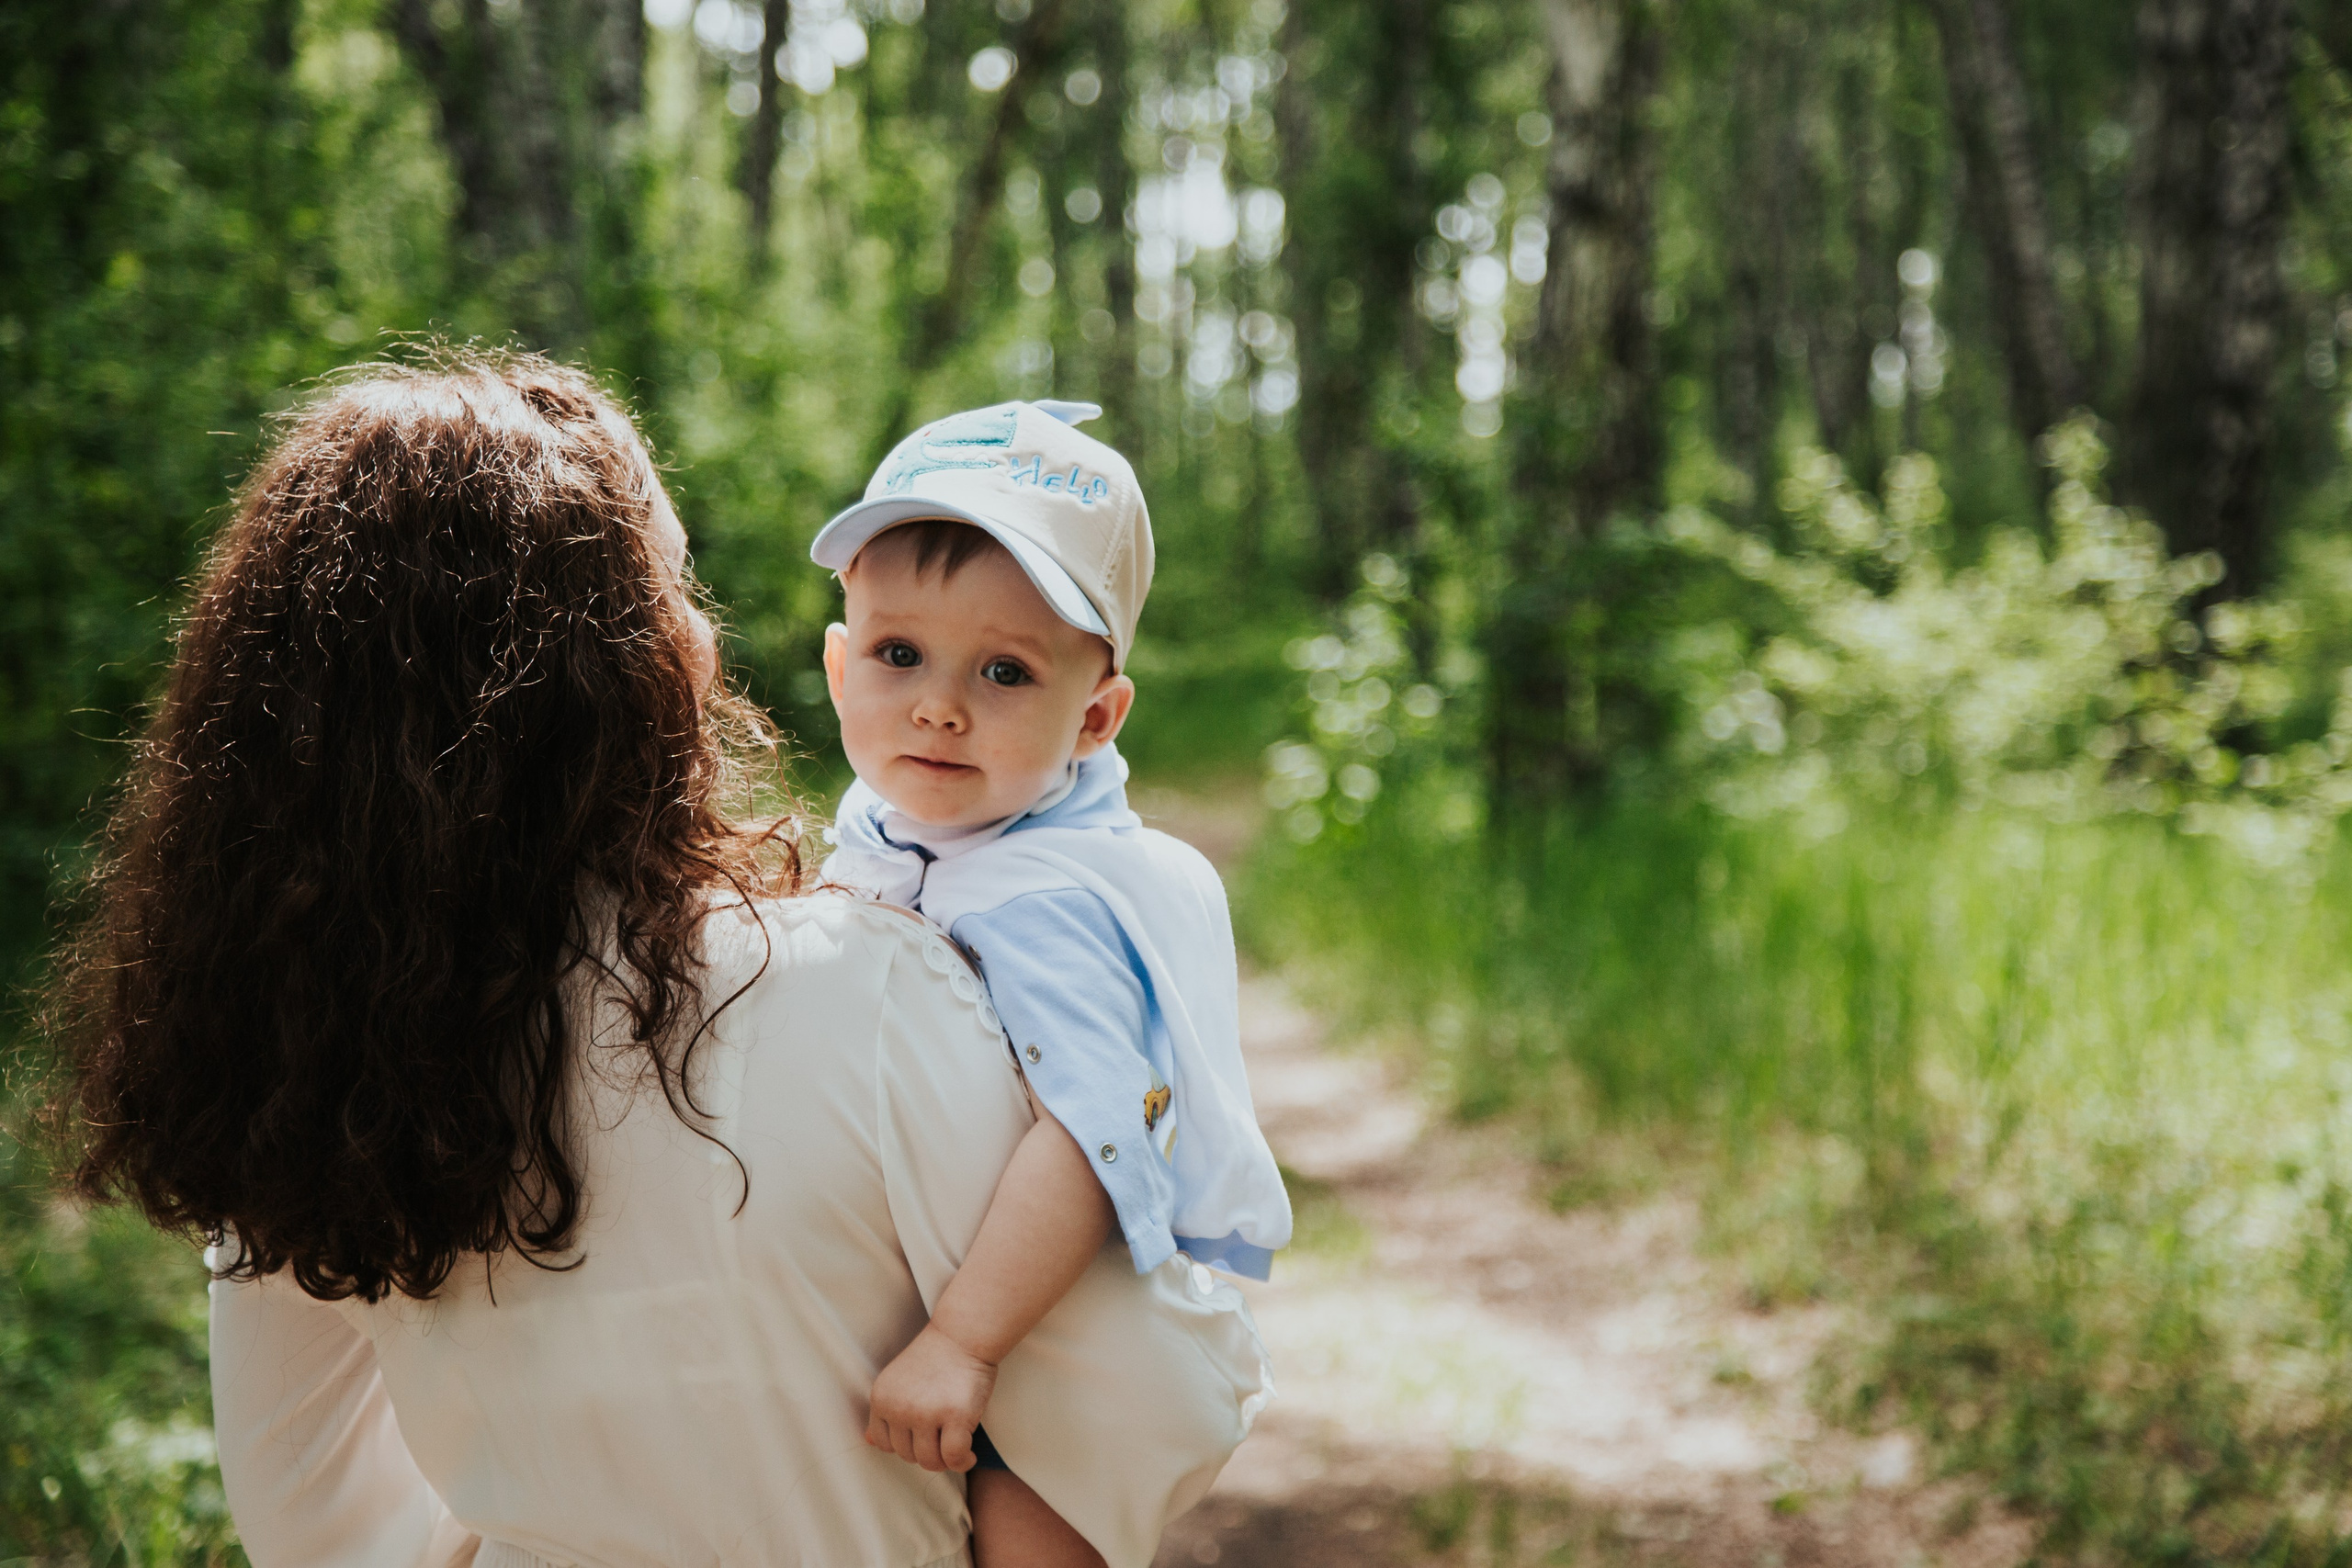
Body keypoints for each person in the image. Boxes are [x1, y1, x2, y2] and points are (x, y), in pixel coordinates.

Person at [39, 355, 1265, 1568]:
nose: (705, 629)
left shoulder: (299, 1062)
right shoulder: (864, 990)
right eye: (676, 585)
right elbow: (1140, 1393)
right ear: (619, 660)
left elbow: (311, 1514)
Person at [811, 400, 1292, 1564]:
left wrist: (963, 1344)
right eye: (897, 654)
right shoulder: (898, 824)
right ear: (837, 666)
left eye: (1006, 671)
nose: (938, 704)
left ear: (1095, 718)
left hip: (1067, 1339)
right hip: (968, 1298)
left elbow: (1093, 1128)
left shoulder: (1039, 898)